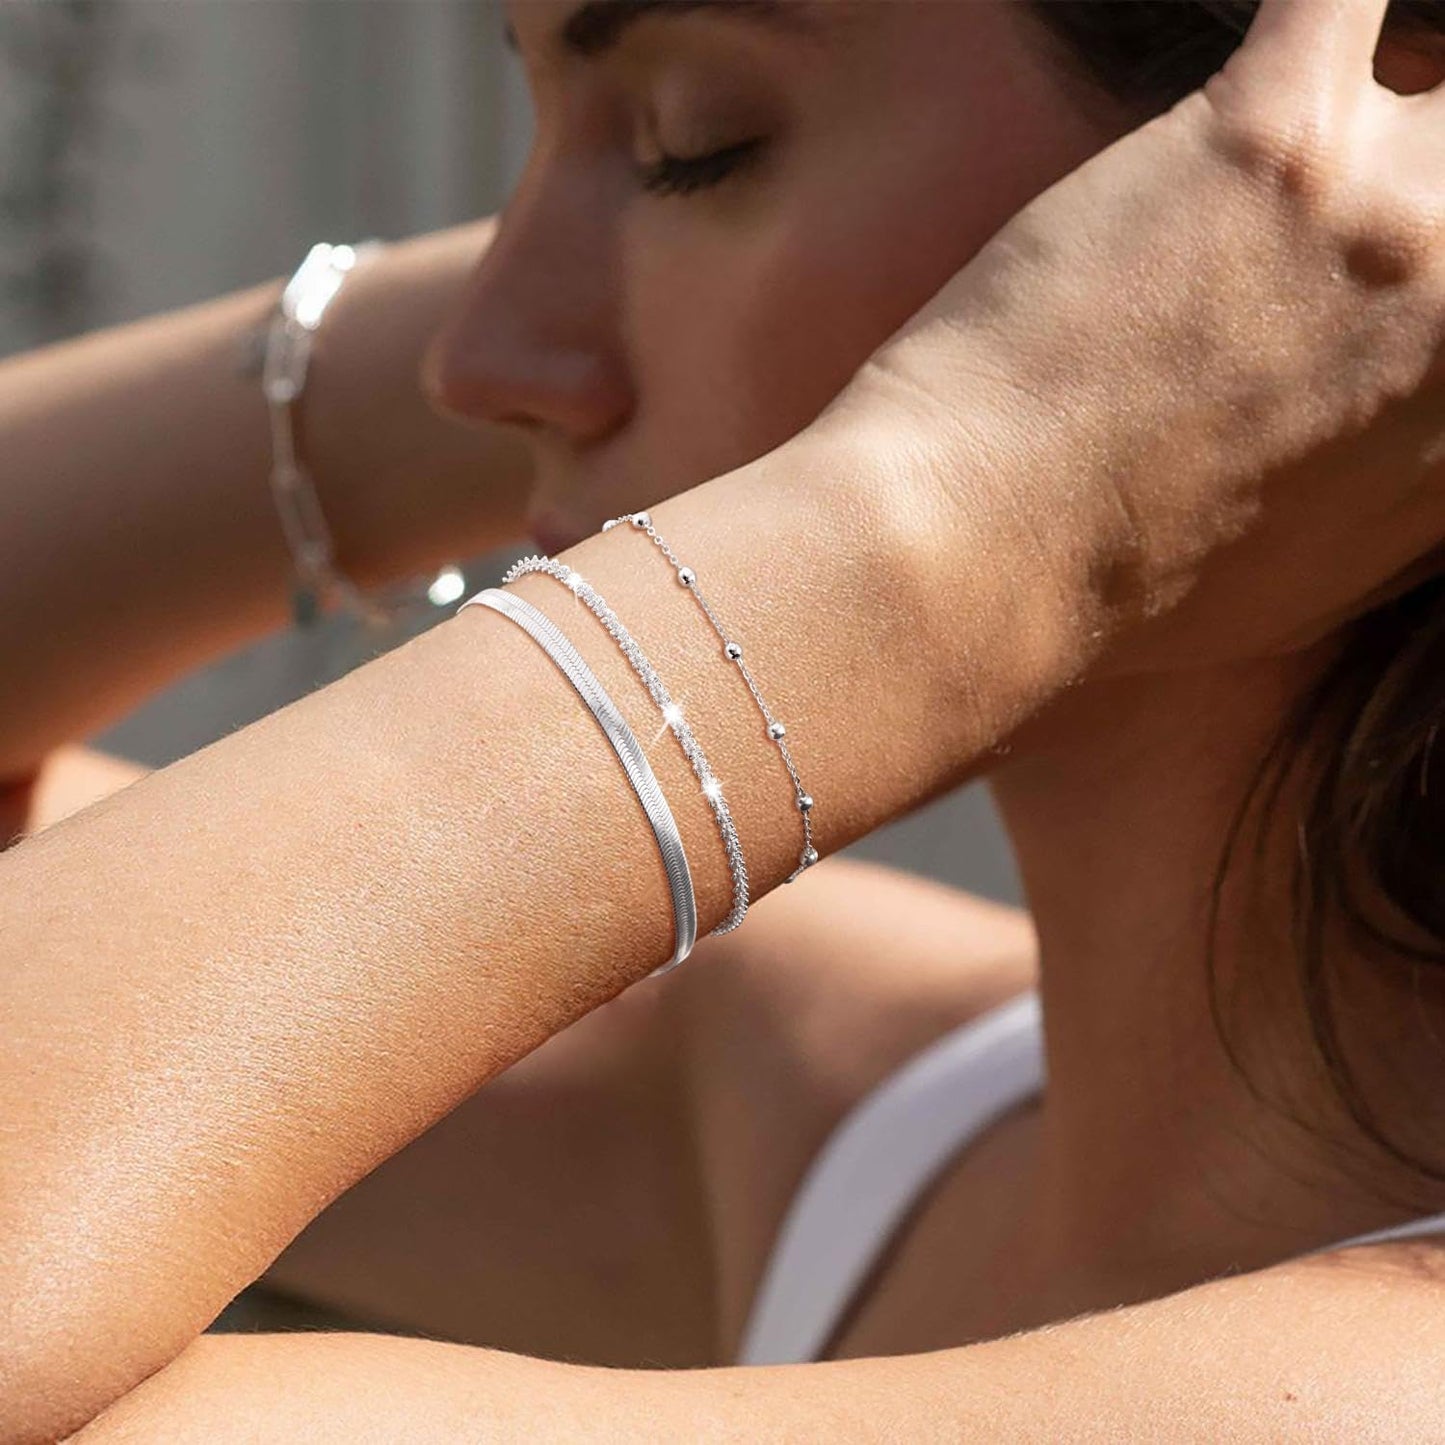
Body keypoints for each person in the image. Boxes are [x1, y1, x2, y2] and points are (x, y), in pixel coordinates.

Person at [3, 0, 1445, 1438]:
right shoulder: (909, 1139)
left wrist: (926, 528)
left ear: (1363, 148)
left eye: (697, 143)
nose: (476, 360)